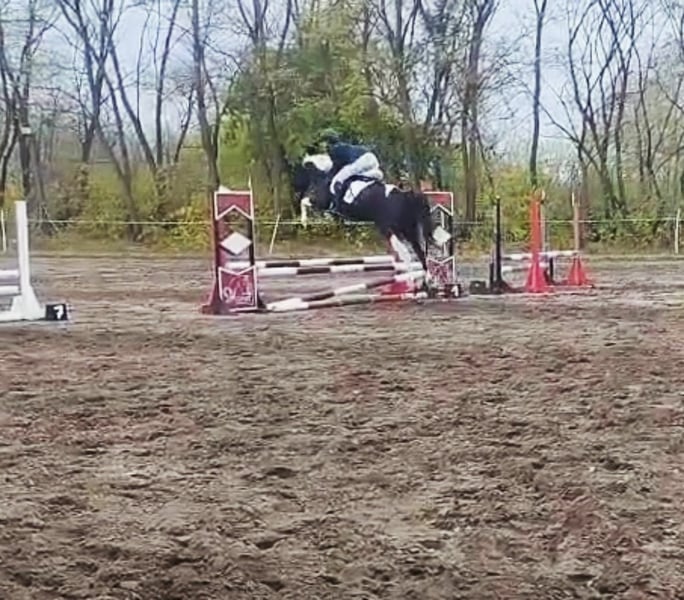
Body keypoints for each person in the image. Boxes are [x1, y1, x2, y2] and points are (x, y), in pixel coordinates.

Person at [319, 129, 384, 211]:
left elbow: (336, 168)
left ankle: (336, 207)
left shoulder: (334, 149)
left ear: (327, 141)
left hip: (361, 160)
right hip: (372, 158)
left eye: (323, 142)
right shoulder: (342, 146)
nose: (321, 145)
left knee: (336, 181)